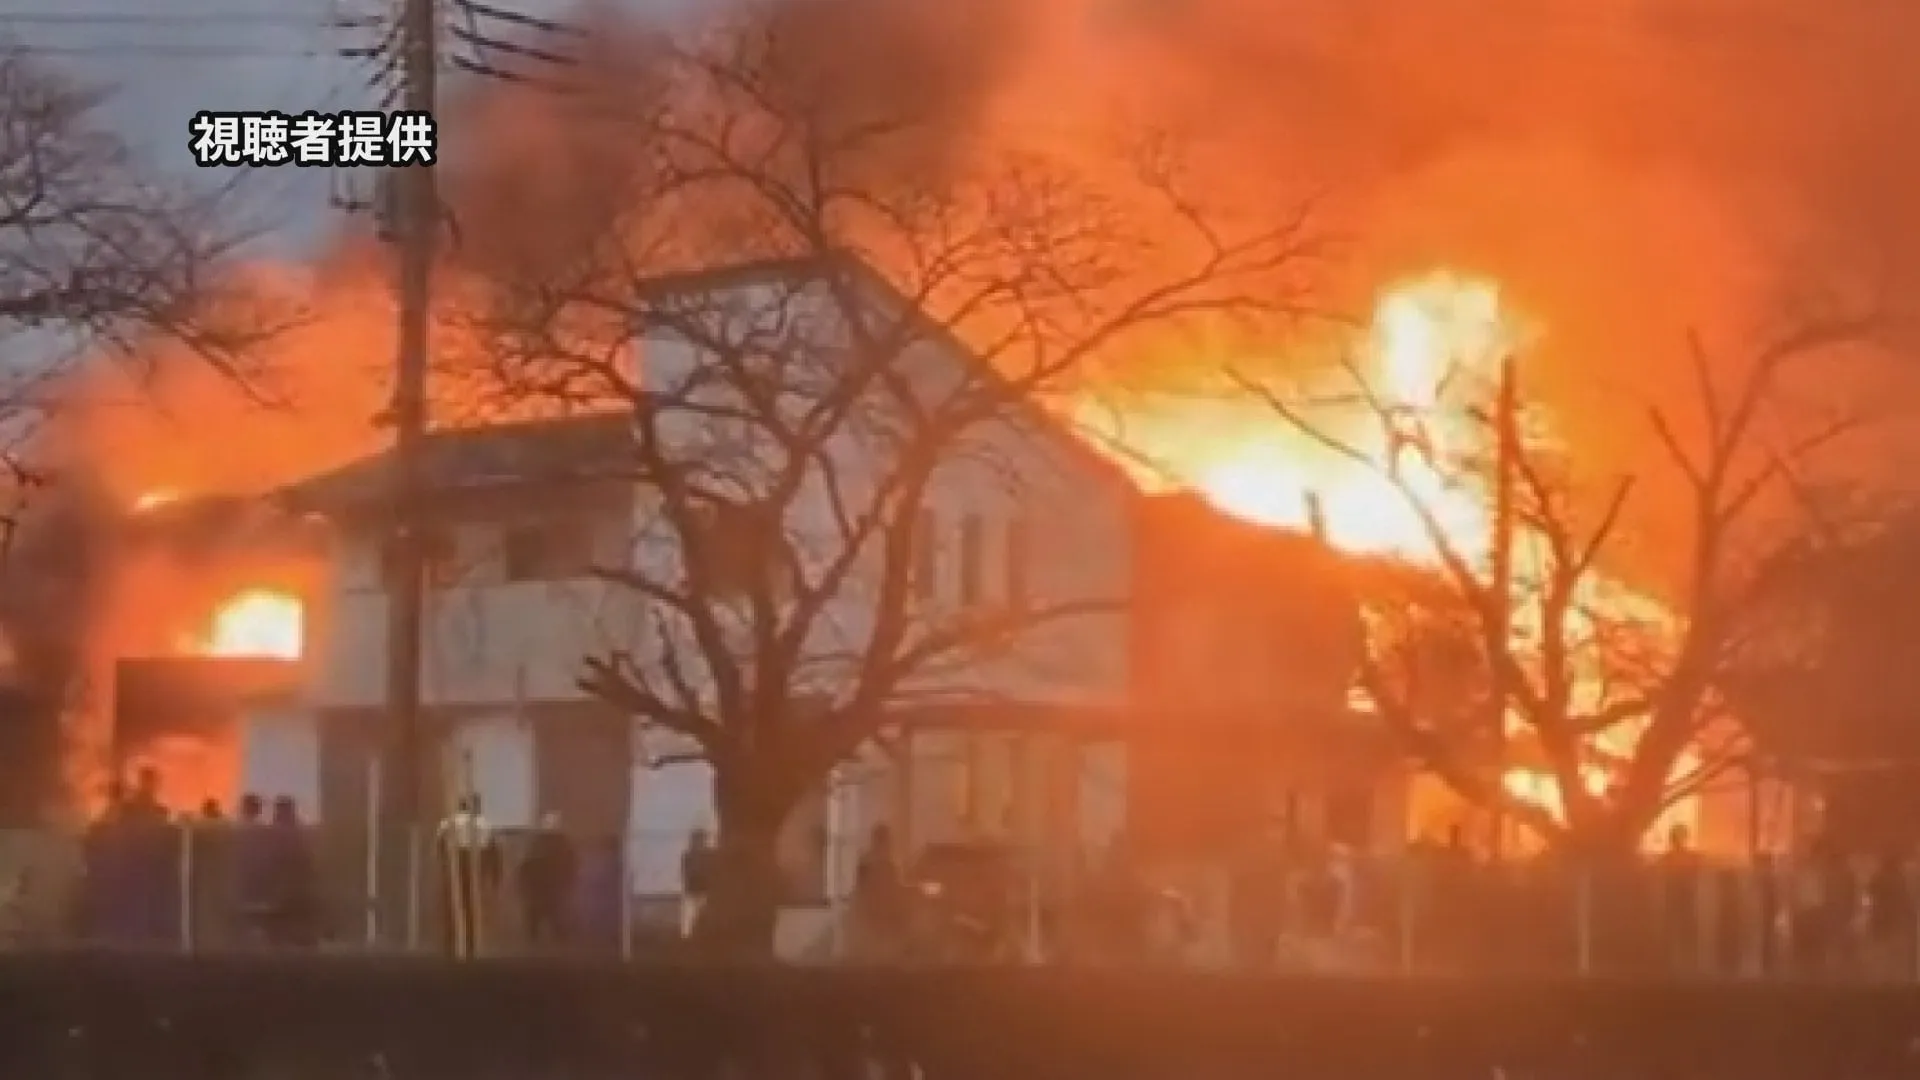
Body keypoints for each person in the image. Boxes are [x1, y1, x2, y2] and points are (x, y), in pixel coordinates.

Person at [436, 794, 501, 957]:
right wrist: (494, 875)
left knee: (453, 904)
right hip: (476, 863)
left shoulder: (447, 823)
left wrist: (444, 866)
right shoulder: (485, 825)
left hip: (456, 863)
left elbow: (440, 846)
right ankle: (471, 942)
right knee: (472, 905)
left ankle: (451, 941)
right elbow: (493, 853)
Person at [262, 795, 318, 948]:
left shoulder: (279, 833)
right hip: (295, 887)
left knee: (281, 924)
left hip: (286, 887)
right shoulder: (299, 832)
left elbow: (272, 860)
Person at [518, 811, 578, 948]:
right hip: (547, 884)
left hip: (546, 884)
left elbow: (527, 862)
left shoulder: (543, 841)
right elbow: (571, 863)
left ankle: (540, 942)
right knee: (549, 914)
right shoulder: (558, 841)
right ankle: (551, 941)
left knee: (545, 914)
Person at [679, 828, 715, 940]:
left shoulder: (706, 855)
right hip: (694, 891)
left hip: (702, 891)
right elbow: (686, 873)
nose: (700, 843)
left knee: (697, 915)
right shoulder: (690, 855)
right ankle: (690, 936)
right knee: (690, 917)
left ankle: (696, 935)